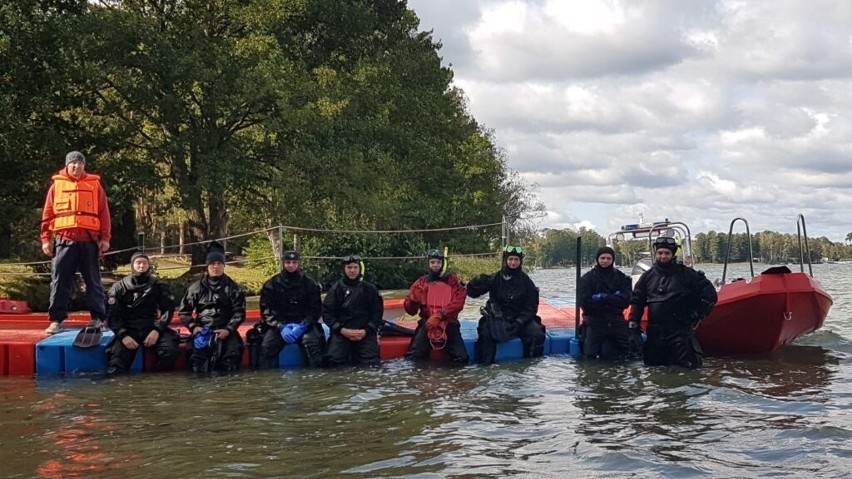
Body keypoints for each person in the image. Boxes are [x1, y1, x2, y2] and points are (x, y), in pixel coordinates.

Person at [40, 151, 111, 334]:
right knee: (60, 281)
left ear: (84, 165)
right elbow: (48, 214)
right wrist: (46, 239)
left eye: (79, 163)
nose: (76, 166)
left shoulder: (95, 186)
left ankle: (97, 319)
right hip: (64, 240)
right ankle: (56, 319)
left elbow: (104, 214)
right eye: (73, 163)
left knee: (93, 281)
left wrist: (105, 239)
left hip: (89, 241)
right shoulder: (56, 186)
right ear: (67, 165)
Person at [628, 236, 717, 369]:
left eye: (667, 253)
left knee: (688, 371)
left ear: (673, 254)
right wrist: (633, 325)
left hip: (680, 332)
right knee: (655, 372)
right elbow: (637, 301)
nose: (663, 256)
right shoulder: (647, 277)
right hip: (655, 335)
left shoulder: (687, 274)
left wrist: (697, 316)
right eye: (660, 253)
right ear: (655, 254)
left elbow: (710, 295)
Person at [466, 245, 546, 364]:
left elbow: (531, 307)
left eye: (516, 260)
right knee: (486, 334)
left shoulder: (526, 281)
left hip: (520, 318)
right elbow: (472, 292)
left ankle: (528, 365)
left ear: (520, 261)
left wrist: (520, 321)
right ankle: (485, 367)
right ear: (505, 260)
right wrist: (476, 281)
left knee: (537, 335)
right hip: (498, 318)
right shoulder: (494, 278)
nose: (513, 262)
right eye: (510, 259)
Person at [105, 252, 179, 374]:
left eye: (144, 263)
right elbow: (112, 315)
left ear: (149, 265)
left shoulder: (158, 286)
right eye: (138, 263)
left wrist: (157, 330)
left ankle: (155, 383)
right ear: (132, 265)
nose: (141, 266)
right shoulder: (119, 287)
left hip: (151, 327)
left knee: (170, 352)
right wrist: (123, 335)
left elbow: (168, 310)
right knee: (117, 362)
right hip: (128, 329)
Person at [178, 247, 246, 372]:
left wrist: (229, 329)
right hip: (203, 330)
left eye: (219, 263)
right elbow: (184, 312)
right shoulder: (196, 288)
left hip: (226, 329)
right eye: (213, 263)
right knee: (197, 360)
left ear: (224, 266)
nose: (216, 266)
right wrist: (194, 327)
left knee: (232, 357)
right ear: (207, 266)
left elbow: (239, 313)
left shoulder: (233, 288)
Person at [254, 250, 325, 368]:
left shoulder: (310, 284)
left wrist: (303, 326)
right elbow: (266, 311)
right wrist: (279, 326)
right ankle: (269, 380)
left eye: (294, 262)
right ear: (283, 263)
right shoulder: (271, 284)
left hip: (304, 325)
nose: (291, 265)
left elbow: (316, 309)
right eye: (288, 262)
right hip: (279, 326)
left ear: (299, 264)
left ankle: (314, 378)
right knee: (267, 347)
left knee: (312, 346)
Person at [404, 249, 469, 364]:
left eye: (438, 262)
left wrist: (441, 315)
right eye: (432, 262)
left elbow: (459, 302)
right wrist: (413, 301)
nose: (435, 265)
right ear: (428, 264)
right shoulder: (420, 282)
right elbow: (410, 311)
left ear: (443, 263)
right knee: (414, 356)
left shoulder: (453, 281)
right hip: (427, 323)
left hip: (449, 323)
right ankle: (422, 379)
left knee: (462, 358)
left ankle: (450, 379)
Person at [322, 255, 383, 367]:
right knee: (333, 362)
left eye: (355, 267)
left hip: (365, 333)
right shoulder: (335, 289)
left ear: (360, 269)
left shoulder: (370, 289)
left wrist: (366, 330)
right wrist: (341, 329)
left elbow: (377, 314)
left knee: (371, 364)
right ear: (344, 269)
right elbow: (327, 313)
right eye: (349, 268)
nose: (352, 270)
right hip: (342, 333)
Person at [577, 246, 633, 360]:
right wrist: (614, 298)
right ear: (597, 259)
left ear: (613, 260)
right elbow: (584, 303)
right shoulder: (587, 279)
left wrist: (604, 298)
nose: (605, 261)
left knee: (630, 352)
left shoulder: (621, 278)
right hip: (595, 320)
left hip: (617, 320)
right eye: (602, 258)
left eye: (608, 258)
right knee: (590, 355)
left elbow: (626, 301)